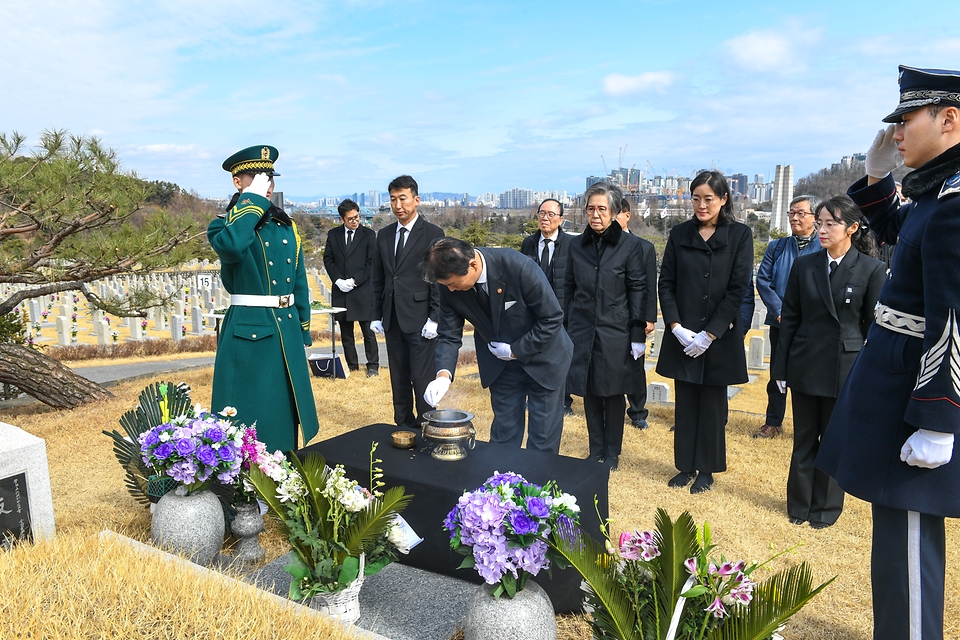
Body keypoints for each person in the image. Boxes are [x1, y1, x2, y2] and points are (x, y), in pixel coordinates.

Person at [817, 65, 960, 640]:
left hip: (915, 396)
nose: (897, 133)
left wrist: (937, 420)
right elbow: (905, 227)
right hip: (896, 382)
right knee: (896, 542)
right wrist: (877, 180)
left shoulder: (955, 204)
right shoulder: (941, 194)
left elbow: (952, 320)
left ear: (949, 118)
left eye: (906, 120)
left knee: (906, 546)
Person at [772, 196, 885, 529]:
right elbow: (789, 319)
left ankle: (825, 509)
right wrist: (780, 368)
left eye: (830, 223)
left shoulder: (871, 269)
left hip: (844, 366)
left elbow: (871, 328)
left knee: (834, 440)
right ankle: (799, 505)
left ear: (852, 228)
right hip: (806, 362)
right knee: (804, 437)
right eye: (819, 222)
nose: (822, 229)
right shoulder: (805, 265)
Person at [207, 145, 319, 452]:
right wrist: (252, 202)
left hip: (284, 328)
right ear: (237, 182)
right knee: (249, 413)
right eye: (255, 176)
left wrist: (302, 329)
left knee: (283, 413)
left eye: (268, 177)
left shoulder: (287, 226)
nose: (265, 184)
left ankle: (283, 477)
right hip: (249, 330)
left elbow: (298, 280)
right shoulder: (224, 223)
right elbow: (231, 247)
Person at [421, 238, 574, 453]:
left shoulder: (518, 267)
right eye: (447, 286)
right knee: (504, 435)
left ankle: (538, 485)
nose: (451, 290)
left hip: (544, 358)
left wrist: (515, 350)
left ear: (472, 265)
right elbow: (448, 334)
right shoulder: (449, 286)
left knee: (543, 438)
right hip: (500, 365)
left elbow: (552, 318)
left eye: (454, 283)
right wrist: (443, 376)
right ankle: (502, 485)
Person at [656, 171, 753, 493]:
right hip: (683, 334)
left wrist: (709, 334)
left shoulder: (740, 235)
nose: (701, 205)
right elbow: (666, 282)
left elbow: (738, 288)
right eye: (696, 198)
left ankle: (707, 470)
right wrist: (676, 327)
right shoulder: (680, 233)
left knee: (712, 406)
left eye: (708, 199)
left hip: (718, 337)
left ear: (724, 199)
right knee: (685, 403)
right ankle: (684, 466)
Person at [564, 183, 646, 470]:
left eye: (601, 209)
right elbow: (568, 288)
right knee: (589, 392)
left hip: (616, 331)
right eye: (590, 209)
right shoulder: (575, 245)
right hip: (583, 329)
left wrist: (637, 333)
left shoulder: (629, 246)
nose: (595, 215)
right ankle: (595, 448)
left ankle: (612, 453)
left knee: (612, 394)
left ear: (613, 212)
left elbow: (637, 289)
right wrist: (567, 326)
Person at [370, 175, 445, 431]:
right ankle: (403, 426)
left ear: (416, 199)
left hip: (421, 318)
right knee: (398, 377)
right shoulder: (384, 235)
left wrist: (435, 318)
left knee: (422, 378)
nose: (398, 205)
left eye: (403, 198)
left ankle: (427, 427)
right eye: (393, 199)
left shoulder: (433, 234)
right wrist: (375, 314)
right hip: (392, 318)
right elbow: (378, 277)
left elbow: (437, 278)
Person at [754, 195, 822, 438]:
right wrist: (780, 311)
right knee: (778, 372)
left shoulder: (824, 246)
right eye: (792, 213)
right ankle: (773, 421)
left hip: (812, 325)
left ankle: (810, 427)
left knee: (811, 375)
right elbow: (763, 281)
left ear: (815, 217)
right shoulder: (778, 246)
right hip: (781, 322)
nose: (795, 218)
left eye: (801, 213)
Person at [520, 198, 574, 416]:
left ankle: (565, 400)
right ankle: (532, 395)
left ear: (561, 219)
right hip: (533, 310)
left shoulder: (571, 245)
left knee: (561, 355)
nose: (545, 218)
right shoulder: (529, 243)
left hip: (562, 311)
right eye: (542, 213)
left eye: (551, 214)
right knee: (534, 352)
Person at [322, 199, 379, 377]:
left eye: (357, 217)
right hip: (341, 292)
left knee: (368, 332)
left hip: (362, 290)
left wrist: (354, 281)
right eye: (351, 219)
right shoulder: (333, 235)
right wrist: (338, 280)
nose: (355, 221)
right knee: (346, 334)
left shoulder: (369, 235)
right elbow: (328, 259)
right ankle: (352, 365)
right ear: (342, 219)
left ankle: (373, 366)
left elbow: (371, 263)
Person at [615, 198, 658, 430]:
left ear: (627, 215)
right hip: (610, 316)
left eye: (616, 214)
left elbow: (650, 286)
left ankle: (637, 411)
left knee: (635, 365)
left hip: (635, 316)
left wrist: (649, 318)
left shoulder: (644, 247)